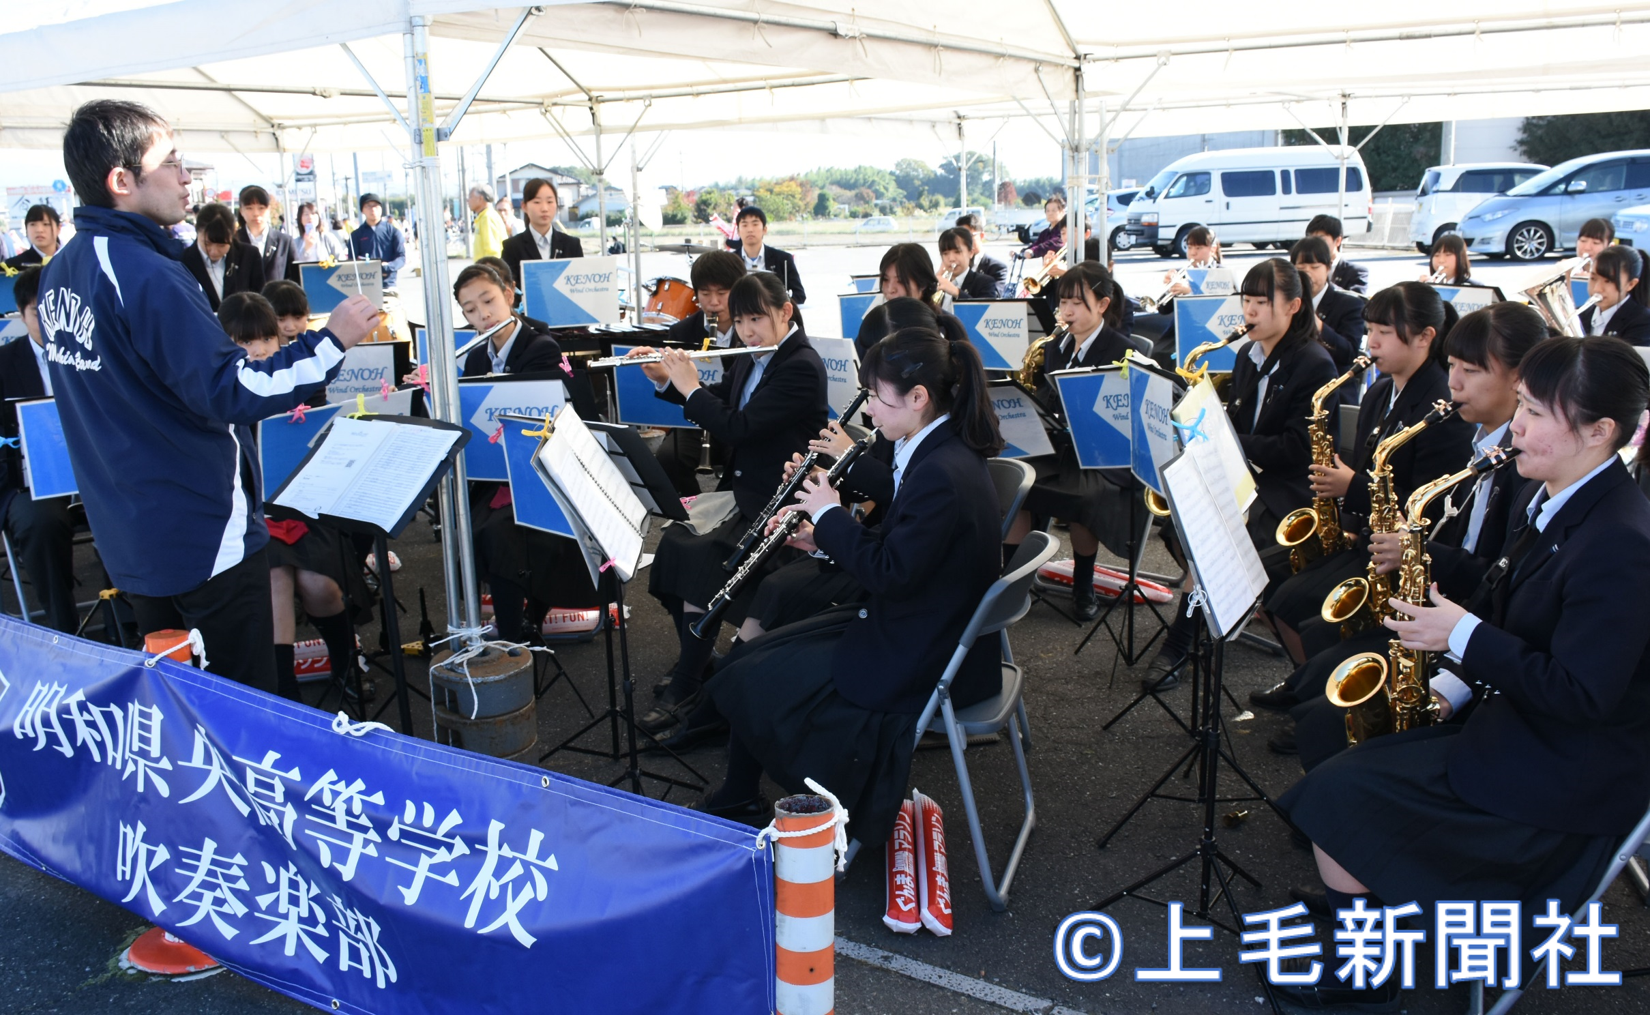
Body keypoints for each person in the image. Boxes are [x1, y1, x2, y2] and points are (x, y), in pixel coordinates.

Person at [1276, 335, 1650, 1010]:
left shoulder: (1621, 540)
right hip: (1523, 729)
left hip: (1565, 777)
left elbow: (1583, 693)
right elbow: (1509, 609)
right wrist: (1448, 685)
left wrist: (1461, 635)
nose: (1520, 426)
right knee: (1337, 759)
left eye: (1536, 412)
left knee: (1339, 798)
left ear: (1600, 431)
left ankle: (1370, 975)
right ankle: (1376, 931)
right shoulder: (1567, 497)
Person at [46, 99, 379, 691]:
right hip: (202, 535)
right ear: (122, 181)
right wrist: (331, 343)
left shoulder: (63, 269)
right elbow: (233, 388)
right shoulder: (143, 272)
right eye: (170, 161)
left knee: (179, 701)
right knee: (241, 705)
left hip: (131, 536)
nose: (185, 175)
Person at [695, 326, 1004, 851]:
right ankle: (739, 791)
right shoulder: (938, 446)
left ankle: (754, 797)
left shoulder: (939, 471)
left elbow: (890, 571)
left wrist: (830, 513)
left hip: (917, 648)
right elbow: (903, 550)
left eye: (879, 399)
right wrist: (820, 538)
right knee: (753, 660)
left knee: (751, 676)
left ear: (918, 398)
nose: (872, 413)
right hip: (922, 622)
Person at [1265, 303, 1545, 766]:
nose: (1453, 383)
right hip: (1436, 603)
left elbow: (1501, 577)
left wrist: (1417, 550)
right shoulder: (1479, 443)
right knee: (1315, 664)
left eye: (1471, 371)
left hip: (1466, 634)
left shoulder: (1526, 470)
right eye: (1452, 366)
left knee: (1320, 708)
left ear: (1521, 380)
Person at [633, 272, 827, 732]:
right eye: (739, 322)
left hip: (782, 501)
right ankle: (696, 664)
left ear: (786, 312)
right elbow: (725, 399)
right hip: (747, 492)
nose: (747, 331)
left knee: (705, 559)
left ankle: (689, 680)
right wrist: (669, 380)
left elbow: (738, 426)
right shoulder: (753, 357)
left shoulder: (801, 364)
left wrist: (690, 386)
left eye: (757, 318)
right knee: (679, 544)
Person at [1145, 259, 1343, 690]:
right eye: (1246, 301)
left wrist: (1228, 438)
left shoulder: (1315, 365)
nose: (1248, 313)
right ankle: (1221, 611)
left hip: (1291, 490)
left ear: (1292, 307)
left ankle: (1181, 640)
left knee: (1213, 533)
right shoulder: (1249, 357)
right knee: (1177, 524)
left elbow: (1298, 449)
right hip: (1249, 476)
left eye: (1260, 302)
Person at [1263, 281, 1474, 665]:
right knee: (1271, 583)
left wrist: (1350, 488)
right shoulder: (1378, 392)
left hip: (1401, 552)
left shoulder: (1440, 407)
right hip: (1367, 534)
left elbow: (1429, 504)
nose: (1370, 343)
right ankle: (1303, 681)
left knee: (1296, 606)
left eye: (1384, 333)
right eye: (1370, 330)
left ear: (1425, 337)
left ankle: (1314, 685)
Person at [219, 291, 369, 704]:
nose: (258, 350)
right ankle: (283, 692)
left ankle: (346, 666)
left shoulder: (300, 378)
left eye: (266, 339)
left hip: (307, 507)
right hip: (250, 515)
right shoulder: (221, 390)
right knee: (274, 581)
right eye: (243, 342)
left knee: (319, 583)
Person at [446, 264, 604, 646]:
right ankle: (514, 624)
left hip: (542, 470)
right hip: (502, 470)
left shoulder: (540, 347)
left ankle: (515, 634)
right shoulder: (477, 356)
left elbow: (521, 407)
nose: (482, 315)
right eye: (470, 310)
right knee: (470, 527)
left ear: (510, 296)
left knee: (498, 534)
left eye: (488, 301)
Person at [1004, 262, 1149, 620]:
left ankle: (1083, 585)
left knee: (1084, 499)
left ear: (1102, 304)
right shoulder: (1056, 347)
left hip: (1103, 456)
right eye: (1062, 303)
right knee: (1014, 480)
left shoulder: (1123, 351)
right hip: (1062, 447)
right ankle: (1012, 580)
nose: (1066, 312)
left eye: (1077, 303)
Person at [0, 266, 78, 633]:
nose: (49, 321)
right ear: (20, 313)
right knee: (40, 522)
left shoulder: (88, 352)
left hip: (93, 472)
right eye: (37, 312)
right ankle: (65, 631)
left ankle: (130, 614)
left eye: (55, 310)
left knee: (134, 504)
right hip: (29, 480)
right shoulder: (4, 363)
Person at [653, 250, 747, 497]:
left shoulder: (752, 328)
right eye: (705, 294)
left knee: (744, 461)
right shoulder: (682, 331)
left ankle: (730, 515)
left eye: (722, 294)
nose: (713, 302)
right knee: (668, 458)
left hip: (737, 418)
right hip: (696, 421)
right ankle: (692, 512)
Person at [1290, 235, 1366, 372]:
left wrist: (1318, 325)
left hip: (1332, 383)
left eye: (1314, 267)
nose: (1307, 273)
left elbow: (1349, 354)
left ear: (1328, 268)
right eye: (1301, 268)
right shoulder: (1287, 302)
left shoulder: (1350, 305)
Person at [500, 177, 583, 285]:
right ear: (524, 206)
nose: (544, 208)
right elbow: (509, 289)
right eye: (537, 202)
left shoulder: (572, 245)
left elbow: (580, 286)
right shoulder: (512, 247)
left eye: (550, 201)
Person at [1579, 244, 1650, 344]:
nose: (1597, 288)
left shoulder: (1643, 322)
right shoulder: (1582, 315)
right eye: (1593, 278)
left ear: (1631, 284)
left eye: (1608, 281)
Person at [733, 206, 805, 305]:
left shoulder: (783, 259)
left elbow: (800, 295)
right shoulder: (729, 262)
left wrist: (777, 308)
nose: (750, 229)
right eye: (744, 225)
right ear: (738, 231)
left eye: (755, 224)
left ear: (764, 229)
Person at [236, 185, 293, 287]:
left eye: (261, 208)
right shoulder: (233, 241)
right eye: (249, 208)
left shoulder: (284, 241)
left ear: (269, 209)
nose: (256, 213)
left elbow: (294, 279)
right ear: (241, 211)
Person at [349, 193, 406, 289]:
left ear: (381, 208)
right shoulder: (356, 235)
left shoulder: (393, 232)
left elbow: (401, 258)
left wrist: (389, 266)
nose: (373, 209)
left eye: (376, 205)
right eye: (368, 206)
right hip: (365, 284)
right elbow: (352, 261)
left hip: (388, 283)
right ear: (362, 210)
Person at [1305, 213, 1369, 295]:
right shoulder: (1301, 266)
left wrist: (1322, 283)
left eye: (1321, 240)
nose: (1315, 244)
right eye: (1310, 239)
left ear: (1338, 241)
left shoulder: (1356, 272)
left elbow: (1357, 300)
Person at [935, 226, 1003, 300]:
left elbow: (985, 310)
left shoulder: (985, 282)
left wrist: (957, 292)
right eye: (945, 253)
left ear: (971, 253)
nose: (951, 259)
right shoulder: (938, 282)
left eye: (957, 252)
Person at [954, 213, 1009, 292]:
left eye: (969, 236)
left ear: (982, 235)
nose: (964, 241)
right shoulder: (953, 264)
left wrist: (956, 291)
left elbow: (993, 299)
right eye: (960, 237)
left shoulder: (997, 268)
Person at [1, 204, 63, 270]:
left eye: (46, 224)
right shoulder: (12, 266)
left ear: (58, 228)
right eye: (33, 224)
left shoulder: (71, 260)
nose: (39, 230)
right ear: (26, 228)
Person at [290, 201, 346, 269]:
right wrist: (306, 249)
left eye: (313, 213)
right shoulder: (295, 243)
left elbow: (342, 260)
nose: (310, 217)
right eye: (306, 214)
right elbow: (294, 266)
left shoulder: (327, 238)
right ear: (300, 218)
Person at [467, 184, 506, 261]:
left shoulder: (487, 217)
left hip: (488, 270)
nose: (468, 200)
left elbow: (492, 251)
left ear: (480, 198)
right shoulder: (484, 216)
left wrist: (489, 271)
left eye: (470, 197)